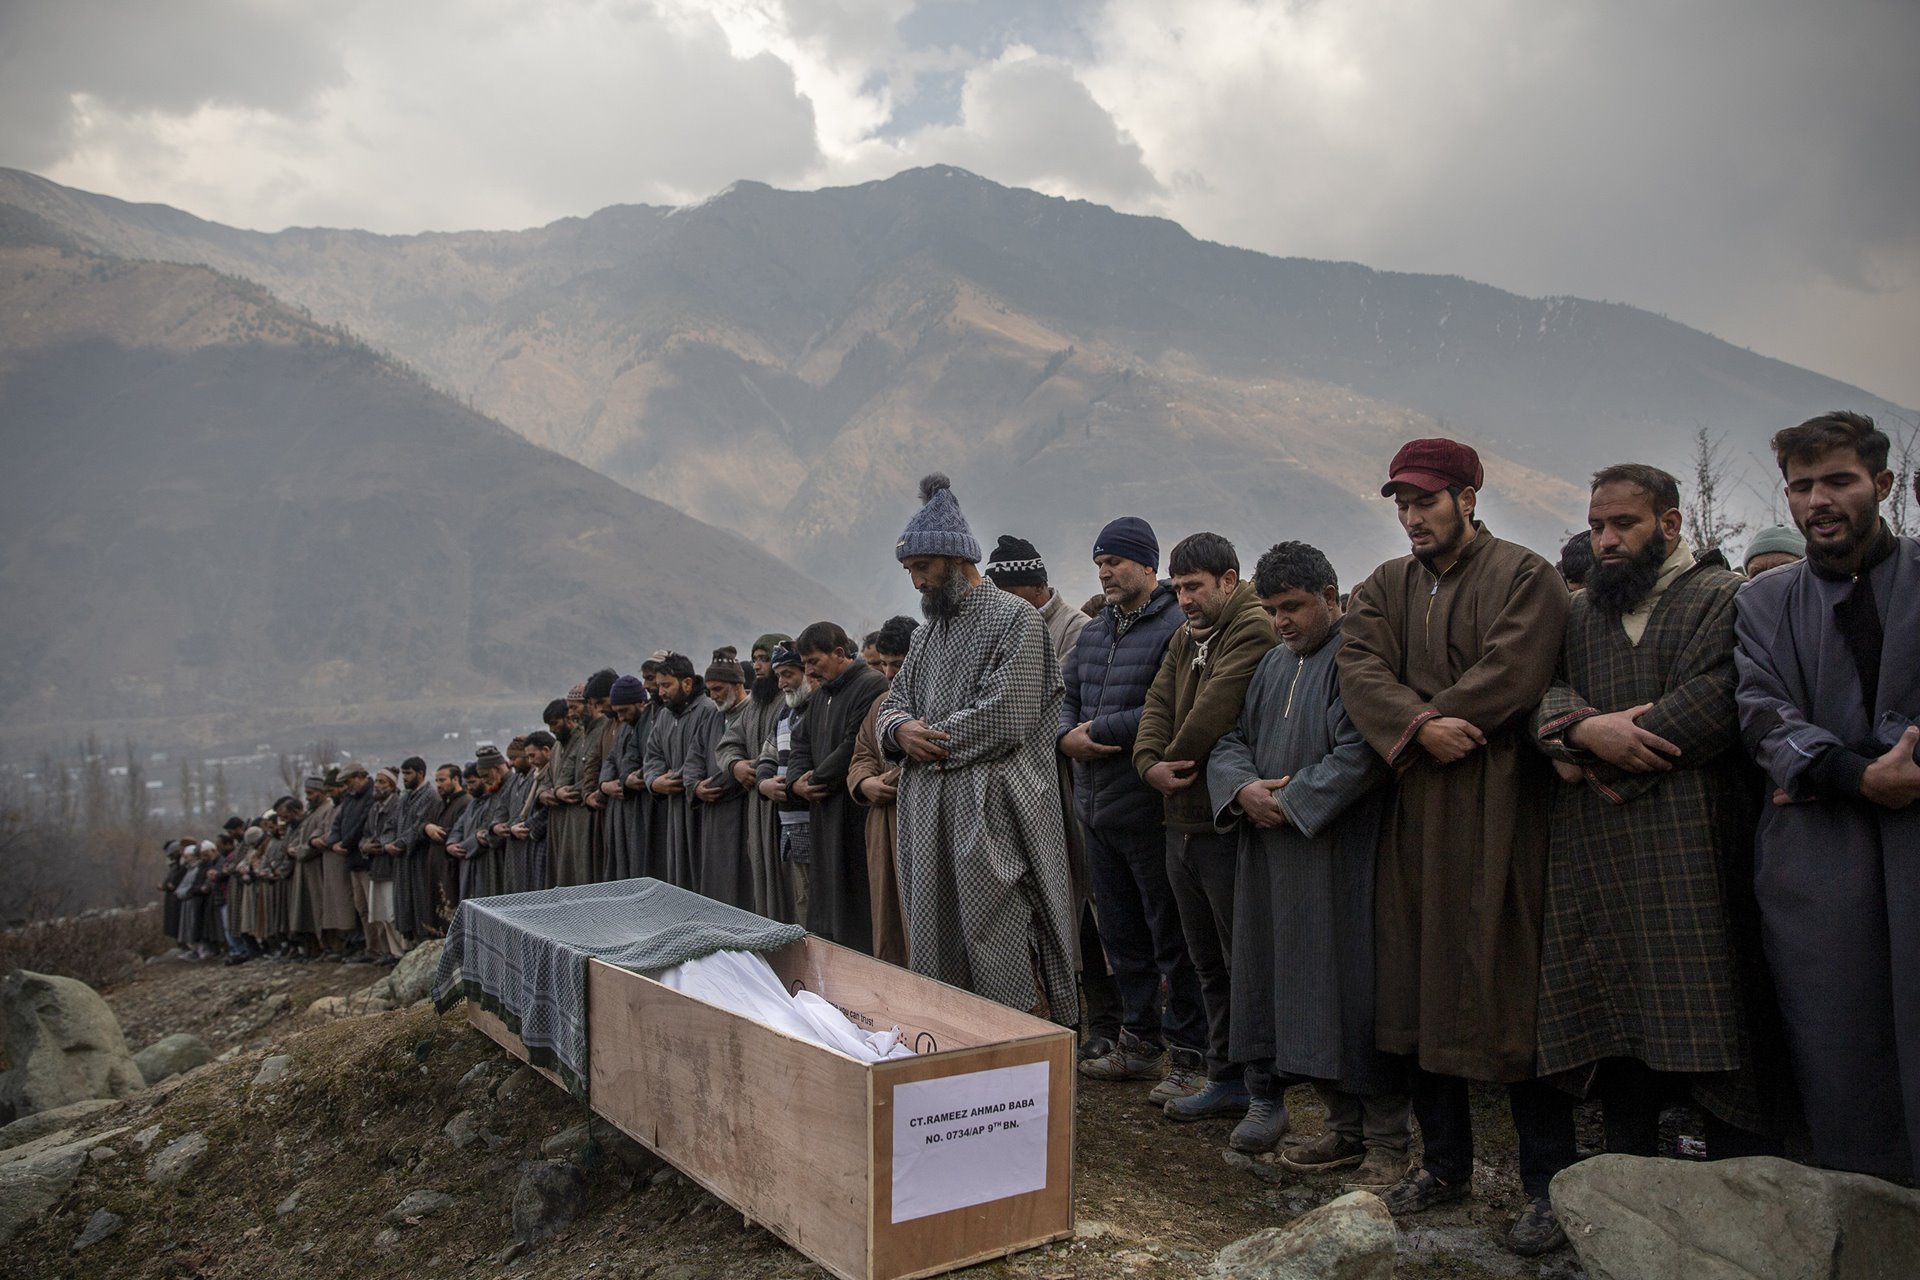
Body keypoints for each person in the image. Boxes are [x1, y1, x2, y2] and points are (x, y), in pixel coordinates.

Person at [1336, 437, 1575, 1255]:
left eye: (1427, 501)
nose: (1412, 518)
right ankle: (1444, 1165)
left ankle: (1548, 1181)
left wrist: (1437, 721)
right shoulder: (1383, 586)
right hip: (1415, 803)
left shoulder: (1525, 575)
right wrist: (1416, 727)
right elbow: (1359, 668)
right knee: (1415, 978)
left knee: (1508, 980)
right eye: (1402, 504)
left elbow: (1518, 668)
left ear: (1469, 496)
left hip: (1504, 805)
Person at [1533, 464, 1778, 1158]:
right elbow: (1541, 694)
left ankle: (1741, 1209)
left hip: (1695, 851)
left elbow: (1722, 698)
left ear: (1670, 524)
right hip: (1599, 858)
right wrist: (1580, 730)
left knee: (1715, 1028)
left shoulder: (1726, 599)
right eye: (1597, 526)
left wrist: (1595, 752)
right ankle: (1622, 1207)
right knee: (1618, 1039)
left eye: (1624, 524)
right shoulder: (1578, 613)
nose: (1606, 540)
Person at [1735, 410, 1920, 1182]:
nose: (1819, 500)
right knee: (1836, 1037)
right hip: (1819, 860)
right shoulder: (1763, 602)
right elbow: (1762, 712)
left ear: (1881, 483)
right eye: (1802, 486)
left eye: (1838, 480)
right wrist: (1852, 774)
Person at [1209, 541, 1408, 1186]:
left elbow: (1364, 752)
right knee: (1295, 993)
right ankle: (1341, 1128)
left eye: (1293, 607)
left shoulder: (1357, 660)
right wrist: (1243, 790)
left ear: (1331, 598)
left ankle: (1386, 1142)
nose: (1282, 621)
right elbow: (1230, 741)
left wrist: (1291, 801)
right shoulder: (1270, 665)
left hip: (1339, 859)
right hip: (1273, 858)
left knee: (1353, 992)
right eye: (1271, 610)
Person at [874, 474, 1078, 1024]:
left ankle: (1031, 1077)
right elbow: (891, 705)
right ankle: (962, 1068)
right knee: (939, 945)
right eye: (910, 572)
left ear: (954, 559)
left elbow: (1005, 716)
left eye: (921, 569)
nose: (915, 584)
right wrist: (898, 733)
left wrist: (927, 739)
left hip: (994, 818)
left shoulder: (1018, 621)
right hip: (928, 818)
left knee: (1004, 939)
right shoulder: (925, 637)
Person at [1133, 531, 1280, 1141]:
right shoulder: (1183, 636)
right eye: (1178, 587)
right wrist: (1149, 764)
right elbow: (1157, 704)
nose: (1184, 598)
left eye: (1194, 586)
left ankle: (1266, 1093)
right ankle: (1224, 1077)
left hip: (1225, 823)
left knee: (1245, 959)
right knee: (1205, 962)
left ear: (1228, 579)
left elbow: (1213, 711)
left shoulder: (1250, 628)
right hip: (1180, 822)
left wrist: (1172, 760)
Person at [1066, 517, 1210, 1106]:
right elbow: (1066, 698)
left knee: (1170, 933)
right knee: (1120, 933)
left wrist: (1093, 730)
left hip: (1149, 807)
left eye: (1116, 562)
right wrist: (1064, 736)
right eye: (1100, 563)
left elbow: (1168, 706)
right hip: (1095, 807)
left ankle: (1191, 1055)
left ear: (1149, 567)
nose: (1105, 572)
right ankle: (1139, 1041)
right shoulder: (1094, 633)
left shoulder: (1175, 627)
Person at [991, 532, 1118, 1056]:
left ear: (1033, 587)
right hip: (1022, 795)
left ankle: (1108, 1022)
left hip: (1069, 791)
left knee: (1087, 911)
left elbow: (1055, 710)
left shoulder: (1075, 632)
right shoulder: (1003, 629)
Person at [787, 622, 891, 952]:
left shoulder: (869, 685)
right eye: (804, 663)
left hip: (853, 810)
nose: (808, 670)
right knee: (828, 901)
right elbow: (800, 741)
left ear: (838, 653)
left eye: (813, 661)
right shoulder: (822, 697)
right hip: (822, 810)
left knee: (856, 898)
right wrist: (796, 782)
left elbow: (853, 747)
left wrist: (815, 780)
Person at [848, 616, 919, 965]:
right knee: (889, 922)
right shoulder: (880, 705)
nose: (889, 674)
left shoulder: (936, 701)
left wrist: (890, 779)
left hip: (921, 830)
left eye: (898, 664)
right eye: (885, 664)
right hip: (882, 831)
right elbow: (861, 753)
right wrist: (865, 783)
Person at [716, 645, 789, 919]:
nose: (757, 666)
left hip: (781, 801)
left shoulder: (789, 700)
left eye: (764, 659)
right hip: (757, 806)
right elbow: (728, 745)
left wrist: (758, 772)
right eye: (755, 660)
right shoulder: (754, 705)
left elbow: (779, 748)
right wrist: (735, 766)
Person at [645, 653, 721, 893]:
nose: (661, 692)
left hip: (700, 807)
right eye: (659, 686)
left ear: (687, 683)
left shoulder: (708, 711)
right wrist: (655, 781)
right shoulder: (665, 716)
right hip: (675, 810)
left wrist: (680, 779)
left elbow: (703, 758)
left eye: (666, 685)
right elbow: (653, 755)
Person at [757, 644, 814, 924]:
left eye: (788, 674)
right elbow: (766, 755)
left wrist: (792, 788)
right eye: (778, 676)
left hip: (814, 824)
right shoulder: (785, 714)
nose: (782, 683)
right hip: (790, 829)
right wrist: (764, 784)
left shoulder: (818, 709)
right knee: (801, 901)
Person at [985, 534, 1088, 666]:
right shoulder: (995, 628)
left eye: (1009, 593)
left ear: (1039, 587)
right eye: (996, 594)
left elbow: (1064, 684)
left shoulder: (1077, 627)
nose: (1001, 601)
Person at [601, 675, 650, 882]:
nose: (620, 717)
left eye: (624, 711)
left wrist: (625, 781)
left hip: (641, 804)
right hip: (620, 806)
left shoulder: (649, 724)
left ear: (640, 703)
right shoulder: (624, 727)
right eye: (617, 712)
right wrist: (604, 783)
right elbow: (612, 758)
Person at [325, 763, 375, 961]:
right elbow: (338, 825)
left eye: (349, 781)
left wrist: (344, 844)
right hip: (352, 861)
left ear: (361, 776)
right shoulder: (349, 800)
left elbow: (360, 825)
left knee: (372, 909)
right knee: (362, 908)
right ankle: (371, 949)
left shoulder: (370, 797)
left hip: (364, 861)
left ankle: (379, 948)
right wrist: (333, 843)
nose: (347, 786)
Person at [417, 762, 467, 933]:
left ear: (455, 779)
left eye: (442, 780)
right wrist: (427, 828)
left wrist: (437, 831)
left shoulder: (465, 802)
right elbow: (424, 823)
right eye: (436, 780)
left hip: (451, 866)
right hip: (435, 863)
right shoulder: (440, 803)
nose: (438, 784)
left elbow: (459, 832)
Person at [286, 775, 331, 957]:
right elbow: (298, 839)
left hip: (317, 868)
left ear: (321, 793)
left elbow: (318, 840)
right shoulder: (311, 813)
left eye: (310, 793)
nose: (308, 797)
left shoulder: (327, 810)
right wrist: (292, 849)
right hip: (304, 869)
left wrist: (300, 852)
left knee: (320, 907)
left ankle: (327, 945)